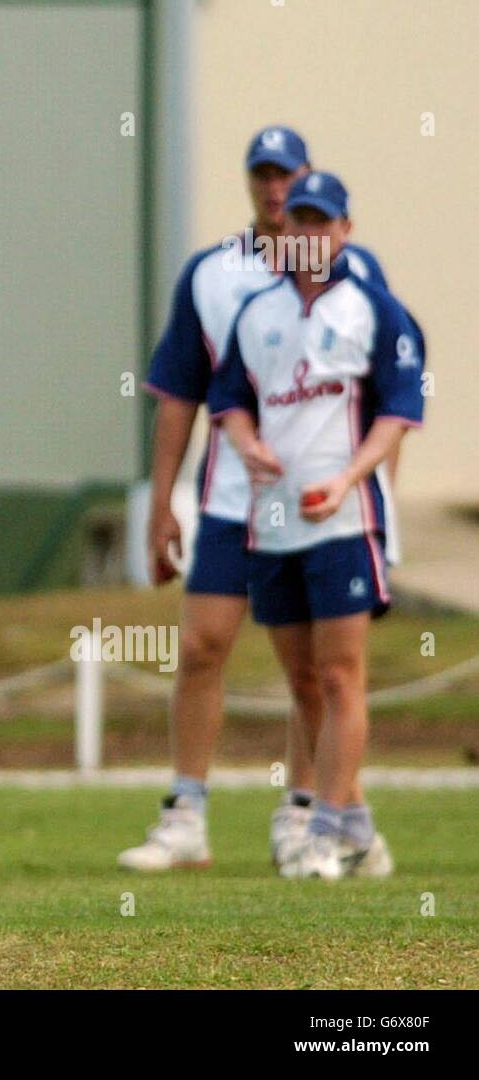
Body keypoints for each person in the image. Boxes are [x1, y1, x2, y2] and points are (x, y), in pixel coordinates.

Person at [119, 127, 389, 872]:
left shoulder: (358, 277)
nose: (275, 191)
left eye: (287, 177)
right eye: (262, 176)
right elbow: (180, 394)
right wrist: (164, 499)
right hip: (234, 497)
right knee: (202, 646)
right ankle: (187, 814)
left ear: (310, 184)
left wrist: (372, 496)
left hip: (322, 505)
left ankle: (308, 811)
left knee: (316, 671)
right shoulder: (212, 276)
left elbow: (385, 401)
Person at [207, 170, 424, 878]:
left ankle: (323, 832)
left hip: (344, 520)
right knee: (301, 681)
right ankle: (360, 828)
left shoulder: (374, 311)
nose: (309, 234)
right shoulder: (258, 311)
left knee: (338, 676)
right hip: (273, 523)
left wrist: (349, 478)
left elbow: (397, 414)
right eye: (298, 222)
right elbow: (230, 398)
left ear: (344, 232)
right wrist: (246, 444)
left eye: (322, 222)